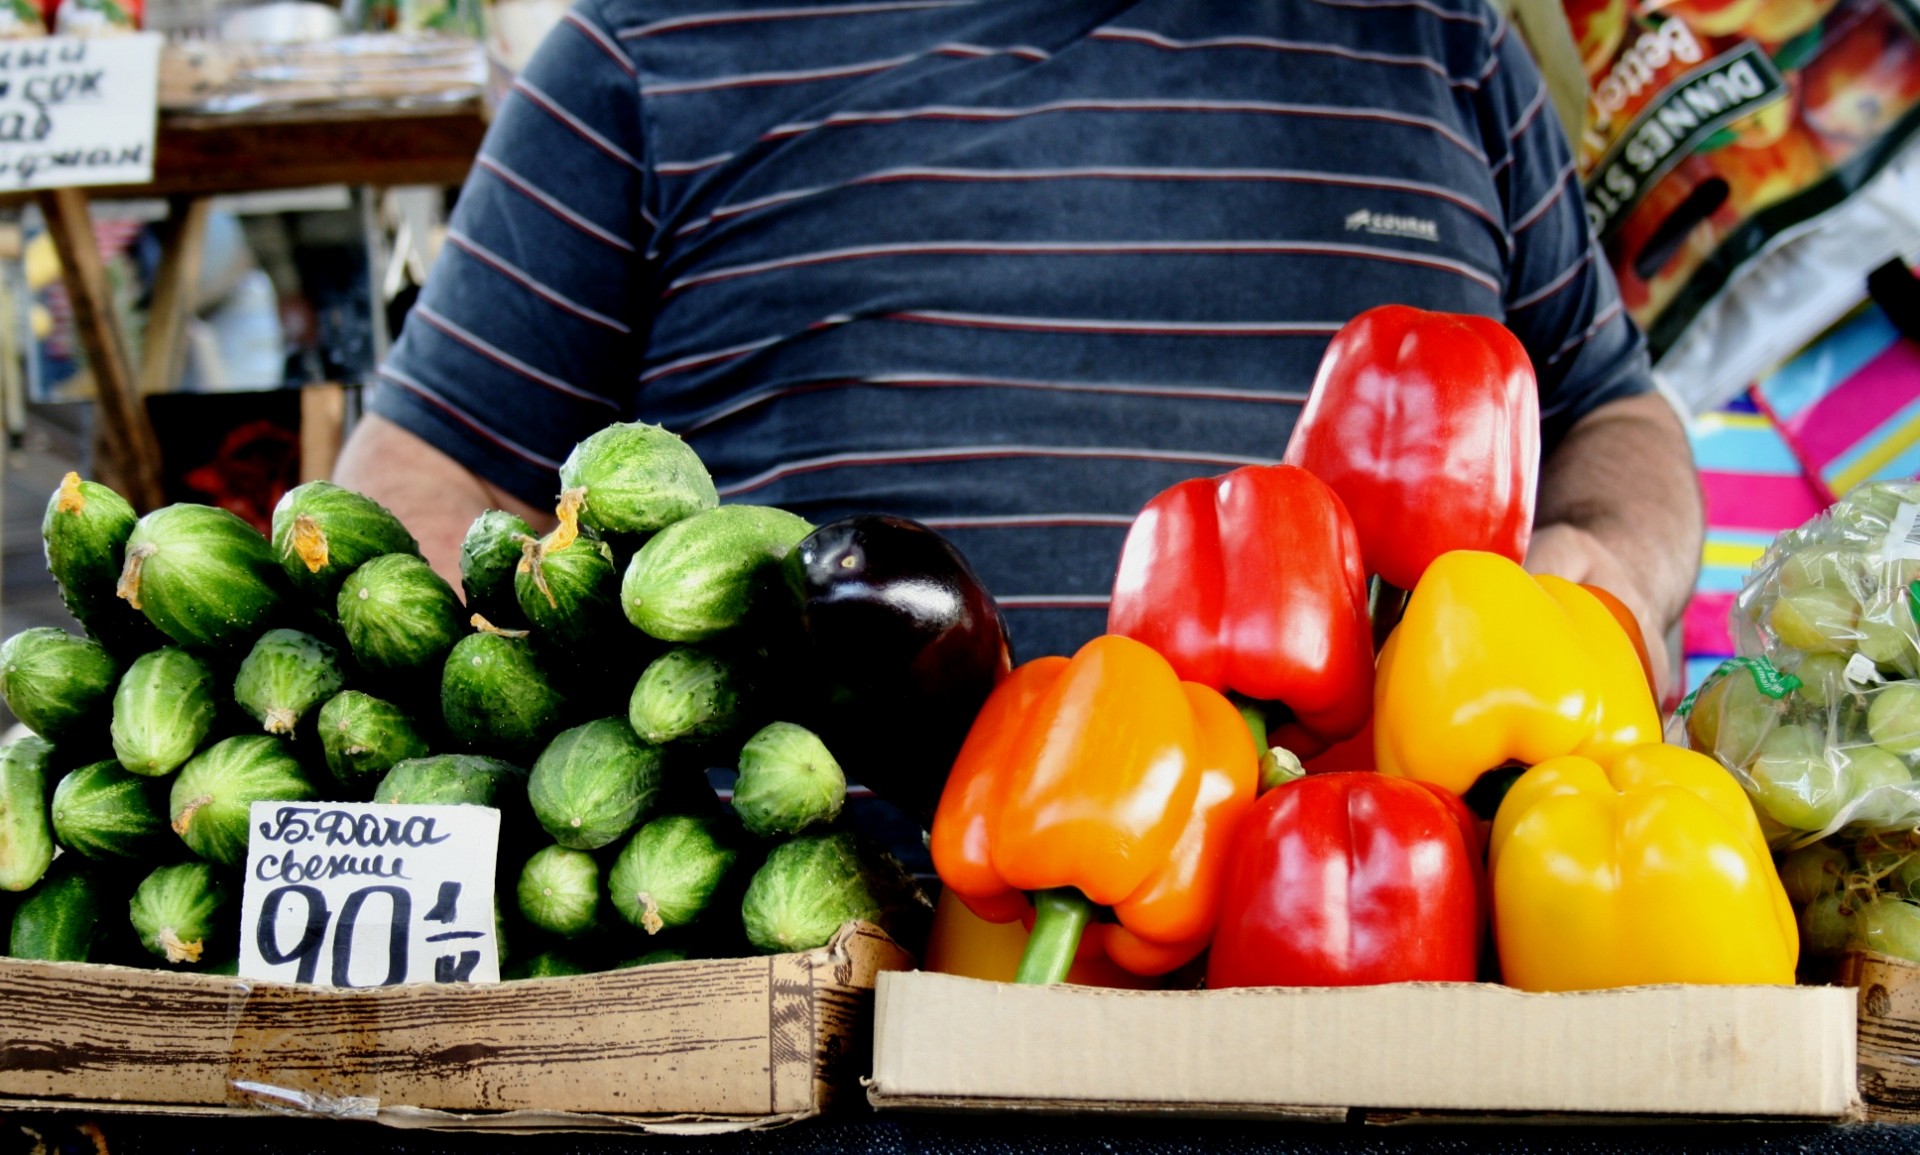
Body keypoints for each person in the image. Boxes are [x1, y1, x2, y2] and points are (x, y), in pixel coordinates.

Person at [334, 0, 1702, 695]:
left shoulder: (1438, 38)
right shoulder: (648, 50)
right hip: (800, 1012)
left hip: (1379, 947)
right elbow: (425, 466)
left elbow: (1611, 413)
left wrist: (1613, 567)